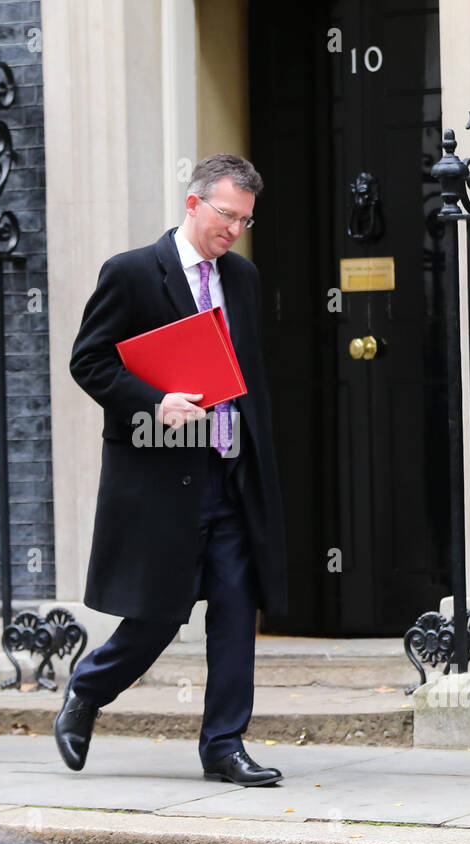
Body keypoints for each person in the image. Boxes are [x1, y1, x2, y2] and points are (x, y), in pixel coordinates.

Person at [56, 155, 289, 785]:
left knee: (238, 614)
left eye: (244, 219)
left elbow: (248, 380)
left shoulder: (241, 278)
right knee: (158, 615)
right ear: (193, 203)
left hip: (230, 474)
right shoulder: (132, 273)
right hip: (162, 480)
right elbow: (90, 362)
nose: (234, 229)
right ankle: (87, 690)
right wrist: (156, 404)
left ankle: (224, 746)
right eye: (226, 215)